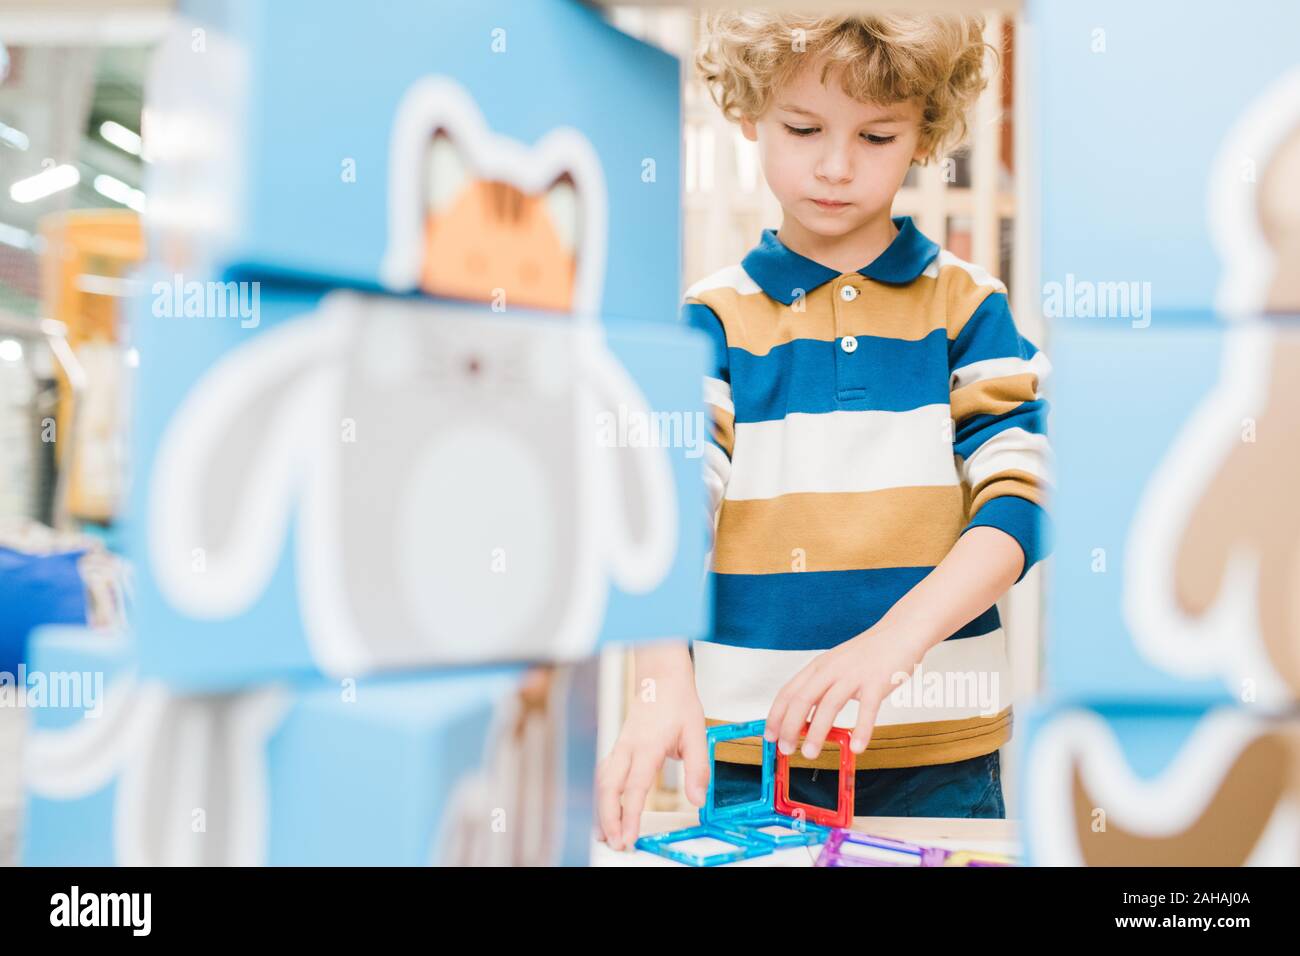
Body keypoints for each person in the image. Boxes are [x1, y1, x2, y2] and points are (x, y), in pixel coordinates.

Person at [598, 10, 1052, 849]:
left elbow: (1024, 498)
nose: (837, 167)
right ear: (748, 113)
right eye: (803, 128)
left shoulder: (970, 309)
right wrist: (660, 677)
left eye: (877, 136)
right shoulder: (712, 320)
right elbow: (664, 506)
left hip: (940, 762)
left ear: (923, 134)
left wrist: (891, 645)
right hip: (750, 756)